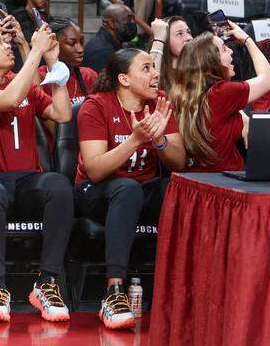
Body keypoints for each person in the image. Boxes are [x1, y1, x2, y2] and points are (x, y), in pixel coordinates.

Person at [0, 25, 73, 323]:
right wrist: (33, 52)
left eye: (6, 41)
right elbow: (7, 99)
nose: (7, 46)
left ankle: (48, 281)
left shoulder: (22, 85)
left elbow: (62, 115)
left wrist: (55, 66)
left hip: (26, 179)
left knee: (58, 185)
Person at [76, 48, 184, 330]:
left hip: (140, 189)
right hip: (96, 191)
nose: (156, 74)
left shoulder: (159, 103)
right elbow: (95, 169)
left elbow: (179, 161)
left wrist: (159, 140)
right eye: (146, 68)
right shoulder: (96, 105)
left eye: (154, 67)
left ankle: (180, 285)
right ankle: (113, 292)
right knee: (126, 188)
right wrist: (136, 140)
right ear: (124, 79)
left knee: (176, 187)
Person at [173, 24, 270, 172]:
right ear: (212, 61)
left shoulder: (188, 93)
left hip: (197, 181)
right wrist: (247, 39)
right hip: (223, 183)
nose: (231, 51)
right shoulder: (222, 92)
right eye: (224, 49)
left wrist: (242, 116)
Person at [84, 4, 137, 72]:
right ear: (111, 23)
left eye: (133, 19)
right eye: (128, 19)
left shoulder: (116, 43)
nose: (133, 22)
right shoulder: (102, 51)